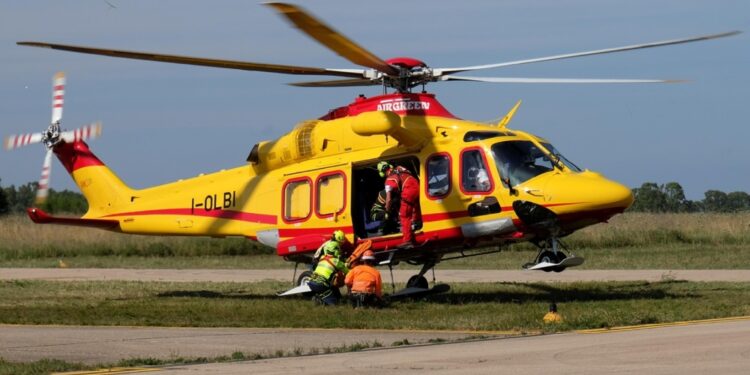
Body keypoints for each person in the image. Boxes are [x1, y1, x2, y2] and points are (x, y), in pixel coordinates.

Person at [378, 161, 422, 248]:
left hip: (408, 191)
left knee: (404, 215)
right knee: (414, 209)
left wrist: (387, 210)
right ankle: (416, 224)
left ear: (383, 173)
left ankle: (408, 240)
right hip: (417, 186)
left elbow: (389, 199)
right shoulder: (400, 168)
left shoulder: (389, 180)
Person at [308, 239, 349, 306]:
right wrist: (346, 265)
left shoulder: (322, 257)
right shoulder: (337, 261)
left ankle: (318, 297)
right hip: (321, 284)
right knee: (334, 304)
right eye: (338, 249)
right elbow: (348, 272)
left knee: (330, 288)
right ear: (335, 250)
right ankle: (320, 300)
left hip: (311, 282)